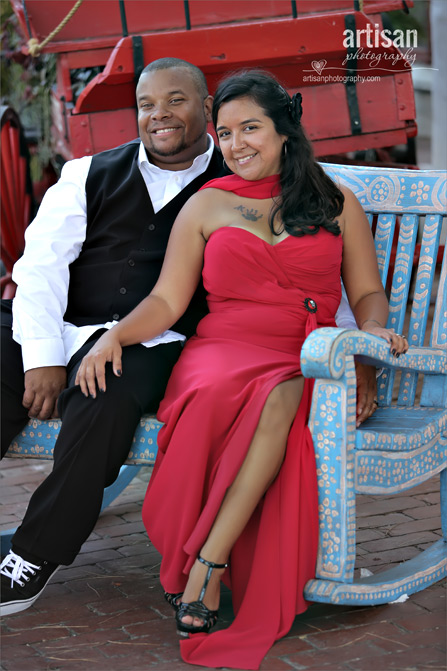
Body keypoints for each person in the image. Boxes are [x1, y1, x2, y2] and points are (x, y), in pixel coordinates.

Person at [0, 57, 373, 618]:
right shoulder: (87, 173)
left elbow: (323, 284)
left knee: (106, 398)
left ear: (204, 109)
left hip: (158, 340)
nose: (159, 115)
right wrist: (42, 358)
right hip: (70, 325)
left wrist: (359, 349)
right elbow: (39, 270)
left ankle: (32, 556)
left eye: (176, 101)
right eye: (147, 105)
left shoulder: (232, 182)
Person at [75, 70, 409, 669]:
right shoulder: (206, 203)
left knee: (284, 392)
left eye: (249, 128)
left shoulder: (334, 202)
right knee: (257, 393)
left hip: (306, 352)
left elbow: (365, 294)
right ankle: (210, 558)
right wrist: (114, 336)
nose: (235, 144)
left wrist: (366, 347)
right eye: (224, 133)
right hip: (220, 350)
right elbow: (167, 302)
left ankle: (209, 561)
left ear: (284, 130)